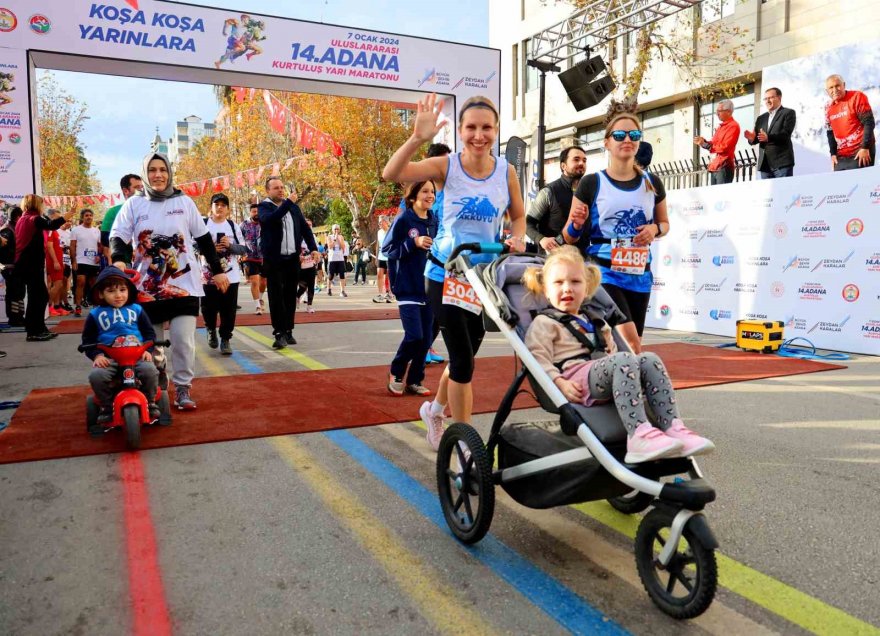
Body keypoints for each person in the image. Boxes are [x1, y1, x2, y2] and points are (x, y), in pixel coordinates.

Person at [382, 93, 526, 450]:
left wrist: (519, 237)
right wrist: (417, 138)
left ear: (496, 131)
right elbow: (391, 173)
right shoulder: (447, 166)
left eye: (487, 127)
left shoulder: (506, 172)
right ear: (461, 131)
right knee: (462, 361)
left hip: (483, 279)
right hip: (445, 275)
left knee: (465, 358)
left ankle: (434, 409)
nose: (479, 135)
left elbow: (519, 216)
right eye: (471, 127)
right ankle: (466, 443)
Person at [522, 246, 714, 463]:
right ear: (546, 290)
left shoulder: (596, 320)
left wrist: (628, 371)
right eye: (558, 283)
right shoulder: (544, 323)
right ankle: (639, 435)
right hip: (574, 380)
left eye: (575, 282)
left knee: (649, 359)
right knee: (623, 359)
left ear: (587, 289)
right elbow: (537, 358)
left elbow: (611, 353)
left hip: (602, 374)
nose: (567, 288)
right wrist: (558, 382)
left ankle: (672, 426)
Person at [111, 152, 229, 411]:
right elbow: (118, 235)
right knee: (152, 346)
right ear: (145, 174)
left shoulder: (184, 201)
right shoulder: (134, 204)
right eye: (152, 170)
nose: (158, 175)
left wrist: (217, 270)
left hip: (184, 286)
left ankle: (183, 388)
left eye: (162, 169)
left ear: (169, 172)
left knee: (183, 340)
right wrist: (120, 260)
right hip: (146, 289)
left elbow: (204, 238)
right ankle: (158, 372)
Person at [563, 113, 670, 354]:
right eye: (619, 135)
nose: (627, 140)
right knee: (630, 341)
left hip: (639, 273)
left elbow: (664, 224)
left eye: (634, 135)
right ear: (607, 142)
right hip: (605, 272)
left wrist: (654, 229)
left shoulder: (651, 182)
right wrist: (577, 225)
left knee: (628, 345)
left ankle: (614, 386)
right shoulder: (591, 182)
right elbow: (568, 237)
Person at [81, 266, 160, 434]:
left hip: (136, 355)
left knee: (150, 371)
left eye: (122, 290)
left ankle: (150, 401)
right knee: (96, 376)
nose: (118, 295)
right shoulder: (96, 314)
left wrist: (148, 349)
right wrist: (96, 355)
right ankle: (107, 407)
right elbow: (88, 340)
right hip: (111, 358)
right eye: (111, 291)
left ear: (129, 291)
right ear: (101, 294)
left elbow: (148, 333)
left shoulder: (137, 310)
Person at [383, 180, 438, 397]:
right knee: (414, 335)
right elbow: (388, 249)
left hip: (429, 287)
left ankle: (415, 380)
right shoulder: (404, 219)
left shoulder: (434, 220)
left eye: (432, 191)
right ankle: (396, 372)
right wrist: (412, 244)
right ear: (413, 196)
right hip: (407, 287)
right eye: (425, 191)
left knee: (426, 339)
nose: (430, 195)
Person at [258, 176, 319, 350]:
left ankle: (288, 330)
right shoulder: (264, 207)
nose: (281, 190)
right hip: (274, 259)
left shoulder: (293, 208)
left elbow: (305, 229)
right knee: (276, 296)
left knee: (290, 295)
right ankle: (279, 333)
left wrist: (313, 248)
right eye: (276, 188)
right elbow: (272, 219)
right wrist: (288, 203)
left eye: (282, 187)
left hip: (292, 258)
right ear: (268, 191)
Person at [14, 195, 74, 341]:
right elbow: (51, 225)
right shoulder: (33, 218)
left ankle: (38, 328)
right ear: (36, 205)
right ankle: (34, 331)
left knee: (39, 296)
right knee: (38, 297)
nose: (44, 207)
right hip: (29, 263)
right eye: (42, 204)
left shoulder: (24, 219)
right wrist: (66, 216)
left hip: (27, 263)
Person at [201, 193, 247, 355]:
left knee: (229, 309)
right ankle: (211, 329)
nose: (219, 207)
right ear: (211, 207)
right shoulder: (203, 224)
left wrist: (230, 246)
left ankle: (226, 338)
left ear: (227, 209)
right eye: (216, 204)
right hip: (208, 276)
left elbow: (244, 249)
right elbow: (192, 246)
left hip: (231, 276)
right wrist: (210, 248)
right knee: (208, 307)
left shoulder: (233, 226)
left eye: (223, 205)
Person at [526, 146, 588, 254]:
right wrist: (541, 239)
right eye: (576, 159)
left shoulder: (589, 192)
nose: (581, 163)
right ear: (563, 165)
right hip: (552, 261)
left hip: (582, 261)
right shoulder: (548, 192)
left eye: (584, 160)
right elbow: (527, 224)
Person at [824, 74, 876, 171]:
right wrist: (833, 154)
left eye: (837, 85)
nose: (834, 90)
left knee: (861, 183)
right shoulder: (828, 107)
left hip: (860, 151)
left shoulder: (857, 97)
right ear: (827, 91)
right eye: (831, 87)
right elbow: (830, 132)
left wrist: (865, 147)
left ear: (844, 85)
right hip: (841, 155)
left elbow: (869, 122)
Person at [744, 87, 796, 179]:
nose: (767, 101)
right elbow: (758, 138)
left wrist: (768, 137)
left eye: (771, 97)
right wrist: (752, 139)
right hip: (765, 165)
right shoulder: (761, 118)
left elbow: (786, 134)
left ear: (779, 98)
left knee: (783, 192)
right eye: (766, 98)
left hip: (782, 163)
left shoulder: (788, 113)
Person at [694, 99, 740, 185]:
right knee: (714, 196)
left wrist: (708, 146)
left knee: (721, 196)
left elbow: (725, 146)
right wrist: (703, 142)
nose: (717, 113)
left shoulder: (733, 126)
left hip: (724, 166)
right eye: (717, 111)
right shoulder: (720, 127)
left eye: (720, 111)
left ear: (729, 112)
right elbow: (713, 144)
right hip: (714, 166)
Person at [100, 174, 143, 260]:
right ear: (126, 191)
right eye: (137, 187)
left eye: (142, 187)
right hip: (123, 263)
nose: (141, 190)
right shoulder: (113, 212)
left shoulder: (148, 209)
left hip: (147, 265)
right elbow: (105, 239)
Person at [70, 209, 102, 316]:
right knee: (81, 282)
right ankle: (78, 306)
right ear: (82, 217)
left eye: (90, 215)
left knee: (93, 284)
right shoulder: (76, 230)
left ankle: (96, 305)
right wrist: (74, 261)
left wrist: (99, 255)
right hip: (81, 260)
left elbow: (99, 246)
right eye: (86, 215)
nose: (88, 217)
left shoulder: (97, 231)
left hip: (93, 261)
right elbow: (72, 246)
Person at [239, 202, 267, 314]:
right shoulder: (243, 225)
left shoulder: (265, 223)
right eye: (254, 211)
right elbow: (239, 239)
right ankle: (257, 306)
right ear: (250, 212)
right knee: (255, 281)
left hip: (264, 257)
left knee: (264, 282)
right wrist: (240, 253)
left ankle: (260, 298)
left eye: (258, 212)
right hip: (249, 257)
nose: (256, 214)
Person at [0, 206, 24, 325]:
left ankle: (20, 316)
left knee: (20, 291)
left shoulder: (14, 227)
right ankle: (14, 318)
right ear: (18, 217)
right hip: (10, 266)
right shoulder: (7, 230)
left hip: (16, 266)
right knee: (14, 291)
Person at [44, 209, 69, 316]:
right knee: (57, 284)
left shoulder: (55, 230)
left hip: (58, 260)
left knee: (59, 284)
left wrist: (60, 260)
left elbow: (56, 246)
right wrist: (55, 261)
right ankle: (48, 307)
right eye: (58, 218)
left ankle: (56, 306)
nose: (60, 220)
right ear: (51, 217)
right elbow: (49, 246)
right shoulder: (50, 229)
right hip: (53, 261)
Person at [296, 219, 318, 314]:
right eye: (307, 225)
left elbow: (316, 249)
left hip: (310, 264)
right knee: (302, 286)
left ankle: (309, 306)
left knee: (311, 285)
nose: (309, 226)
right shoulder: (297, 236)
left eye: (310, 225)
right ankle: (297, 297)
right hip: (300, 265)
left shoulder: (313, 237)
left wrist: (316, 257)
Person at [326, 224, 349, 298]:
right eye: (335, 229)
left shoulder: (341, 237)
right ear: (332, 230)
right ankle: (329, 288)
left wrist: (338, 239)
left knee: (342, 275)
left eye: (337, 229)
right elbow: (330, 246)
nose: (336, 230)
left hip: (340, 259)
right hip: (332, 259)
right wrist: (334, 239)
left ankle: (342, 291)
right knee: (331, 275)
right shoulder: (329, 237)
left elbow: (343, 247)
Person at [372, 215, 392, 303]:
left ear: (386, 222)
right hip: (380, 256)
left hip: (389, 257)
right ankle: (380, 294)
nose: (379, 223)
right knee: (379, 275)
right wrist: (376, 257)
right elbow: (378, 245)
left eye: (380, 222)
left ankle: (390, 294)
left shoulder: (391, 231)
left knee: (389, 276)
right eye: (379, 222)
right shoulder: (379, 232)